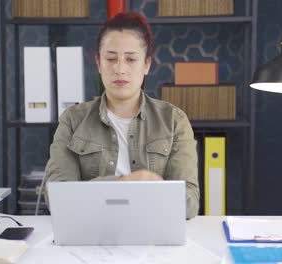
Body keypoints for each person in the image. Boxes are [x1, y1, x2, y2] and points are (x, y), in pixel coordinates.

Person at [44, 12, 200, 219]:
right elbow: (56, 198)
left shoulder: (174, 121)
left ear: (147, 64)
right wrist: (124, 183)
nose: (119, 69)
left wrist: (156, 190)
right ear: (99, 63)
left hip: (153, 231)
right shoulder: (73, 120)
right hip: (91, 231)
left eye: (131, 59)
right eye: (110, 59)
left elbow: (189, 204)